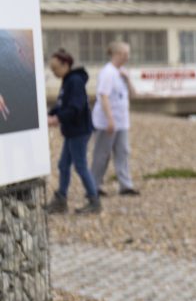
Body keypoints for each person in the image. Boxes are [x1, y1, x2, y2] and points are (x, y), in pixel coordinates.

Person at [45, 49, 100, 214]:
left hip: (79, 130)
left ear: (65, 64)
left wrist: (57, 119)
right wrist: (50, 114)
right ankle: (61, 199)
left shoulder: (74, 81)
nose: (54, 72)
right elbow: (62, 104)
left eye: (55, 68)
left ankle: (94, 201)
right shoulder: (68, 80)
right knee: (63, 165)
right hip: (72, 131)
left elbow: (75, 107)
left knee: (81, 166)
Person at [91, 40, 139, 195]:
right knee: (102, 154)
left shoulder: (122, 72)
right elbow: (103, 96)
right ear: (117, 54)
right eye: (125, 53)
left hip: (122, 121)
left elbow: (133, 94)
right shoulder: (108, 72)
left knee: (123, 151)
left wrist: (128, 79)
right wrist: (110, 119)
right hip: (107, 122)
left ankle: (125, 185)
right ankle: (94, 185)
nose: (127, 57)